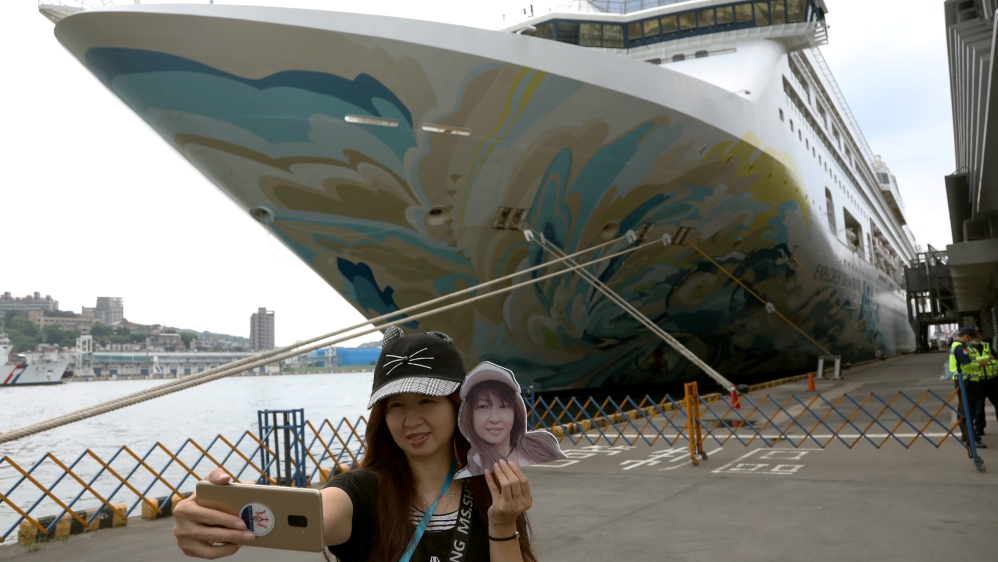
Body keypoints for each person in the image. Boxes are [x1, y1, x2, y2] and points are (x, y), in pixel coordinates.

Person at [173, 327, 537, 562]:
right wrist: (218, 513)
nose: (411, 420)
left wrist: (503, 522)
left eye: (427, 401)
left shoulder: (490, 489)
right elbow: (318, 514)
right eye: (396, 405)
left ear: (459, 407)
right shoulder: (362, 492)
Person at [454, 361, 566, 479]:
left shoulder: (544, 446)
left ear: (516, 412)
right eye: (482, 406)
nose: (494, 419)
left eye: (503, 406)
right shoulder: (469, 476)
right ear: (469, 415)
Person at [949, 326, 990, 450]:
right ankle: (970, 438)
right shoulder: (961, 348)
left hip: (965, 381)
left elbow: (970, 359)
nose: (971, 340)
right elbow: (967, 364)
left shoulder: (957, 346)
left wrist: (985, 358)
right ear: (967, 336)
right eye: (971, 337)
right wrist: (979, 364)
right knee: (967, 410)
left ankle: (967, 435)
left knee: (966, 408)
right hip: (966, 382)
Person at [973, 329, 998, 436]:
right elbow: (971, 361)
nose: (979, 337)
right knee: (979, 406)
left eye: (980, 335)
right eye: (976, 335)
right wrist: (986, 358)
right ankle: (979, 428)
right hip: (978, 381)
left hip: (992, 379)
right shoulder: (968, 349)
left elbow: (995, 357)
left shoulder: (987, 346)